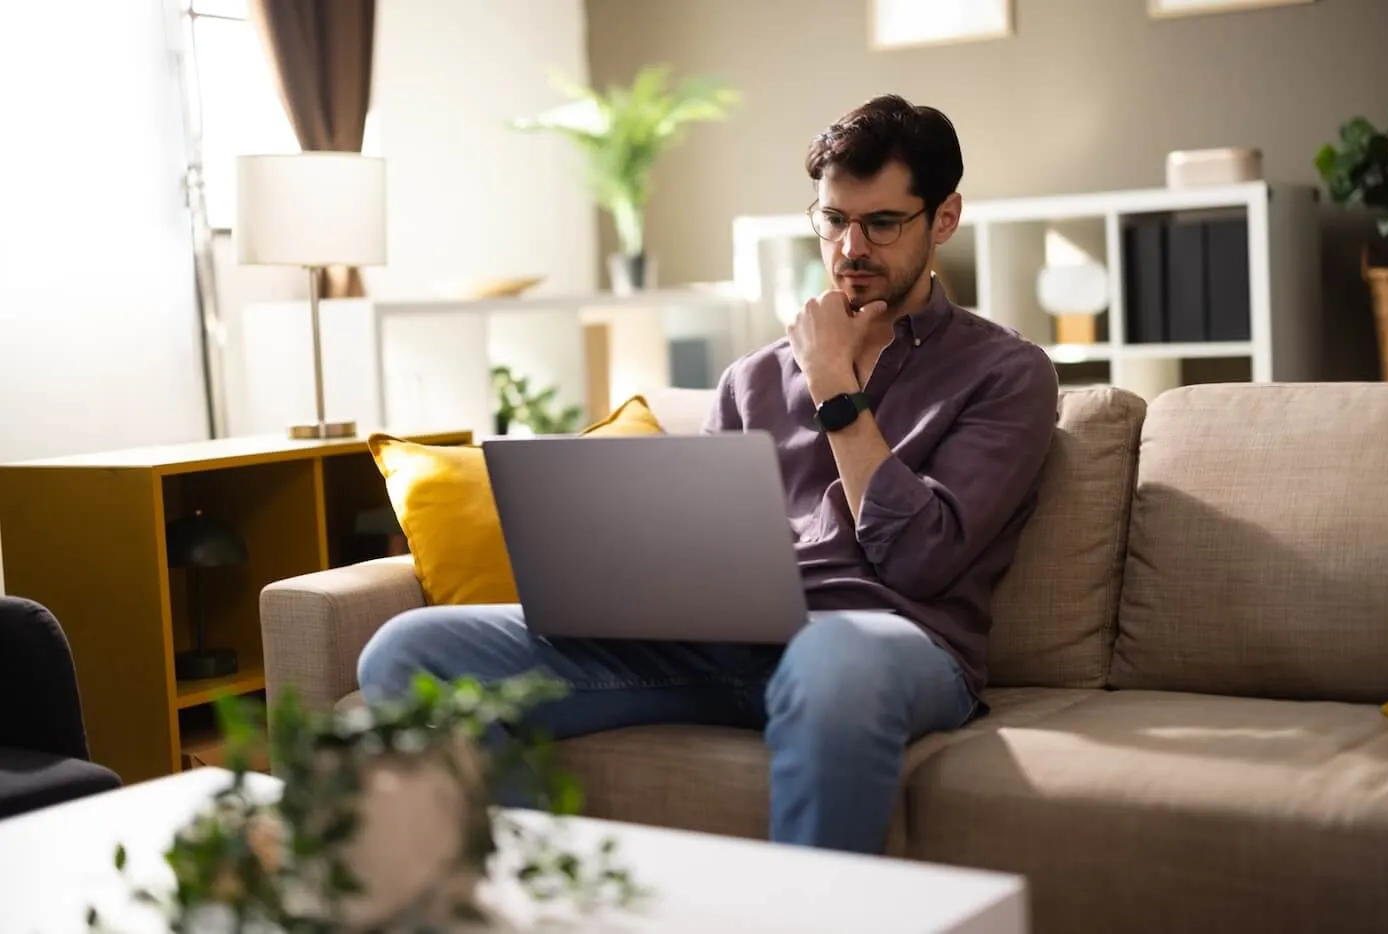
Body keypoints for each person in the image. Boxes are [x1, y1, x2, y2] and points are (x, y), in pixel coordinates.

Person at [357, 93, 1059, 855]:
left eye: (882, 224)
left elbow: (921, 560)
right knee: (407, 652)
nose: (851, 247)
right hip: (719, 647)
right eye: (833, 220)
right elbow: (704, 550)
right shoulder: (751, 379)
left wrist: (832, 385)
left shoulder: (1006, 373)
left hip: (883, 643)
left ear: (943, 219)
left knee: (832, 660)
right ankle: (547, 897)